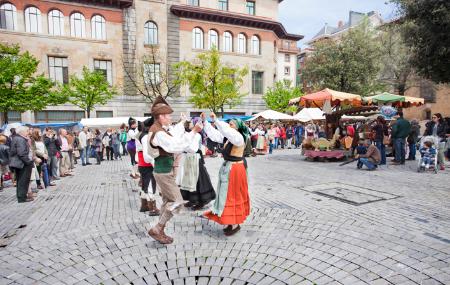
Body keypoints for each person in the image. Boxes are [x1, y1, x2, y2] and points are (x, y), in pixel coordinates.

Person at [147, 96, 202, 244]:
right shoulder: (158, 132)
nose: (171, 117)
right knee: (177, 201)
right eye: (168, 115)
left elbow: (174, 134)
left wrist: (183, 122)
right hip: (163, 173)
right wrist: (194, 132)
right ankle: (157, 228)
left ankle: (160, 230)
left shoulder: (161, 129)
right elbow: (175, 146)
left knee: (167, 202)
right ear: (161, 116)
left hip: (164, 171)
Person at [202, 112, 250, 236]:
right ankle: (230, 222)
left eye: (232, 123)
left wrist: (217, 121)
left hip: (235, 169)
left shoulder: (238, 137)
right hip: (229, 167)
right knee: (226, 194)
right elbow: (214, 135)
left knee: (232, 195)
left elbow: (228, 132)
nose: (229, 125)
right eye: (229, 123)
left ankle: (235, 223)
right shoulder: (228, 138)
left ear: (238, 126)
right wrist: (206, 122)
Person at [178, 118, 216, 211]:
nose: (190, 123)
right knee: (188, 179)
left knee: (198, 180)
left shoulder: (197, 135)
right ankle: (192, 199)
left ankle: (201, 201)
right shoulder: (185, 134)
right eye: (189, 123)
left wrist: (184, 146)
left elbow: (193, 149)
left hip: (194, 159)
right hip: (187, 159)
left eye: (191, 122)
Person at [136, 118, 160, 215]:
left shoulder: (139, 134)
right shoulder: (145, 137)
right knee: (150, 184)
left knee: (145, 185)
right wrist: (154, 164)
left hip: (142, 163)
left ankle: (144, 205)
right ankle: (152, 208)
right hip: (147, 163)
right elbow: (148, 154)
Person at [9, 126, 34, 203]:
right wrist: (28, 162)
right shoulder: (20, 139)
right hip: (22, 164)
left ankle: (21, 196)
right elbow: (22, 153)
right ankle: (22, 198)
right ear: (22, 132)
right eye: (27, 131)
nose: (28, 132)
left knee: (21, 181)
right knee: (23, 181)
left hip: (20, 163)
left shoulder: (17, 138)